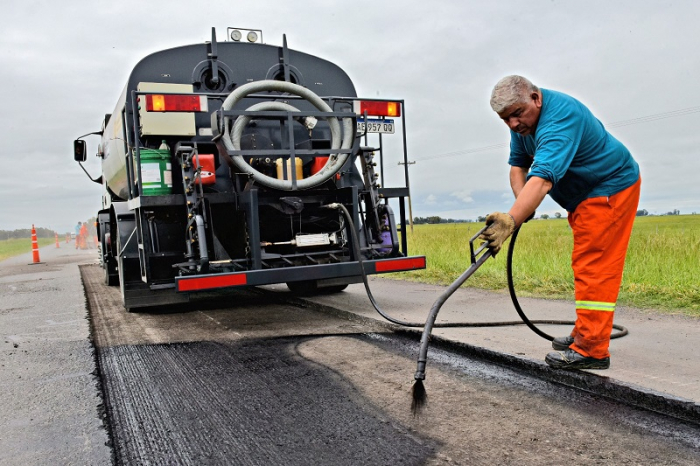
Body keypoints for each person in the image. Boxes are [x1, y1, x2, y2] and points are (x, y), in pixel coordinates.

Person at [482, 75, 641, 370]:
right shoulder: (523, 125)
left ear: (536, 98)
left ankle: (592, 349)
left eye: (518, 114)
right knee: (585, 264)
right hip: (583, 196)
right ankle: (586, 332)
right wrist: (522, 207)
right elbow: (518, 166)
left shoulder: (559, 120)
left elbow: (541, 179)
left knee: (594, 266)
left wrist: (512, 220)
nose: (514, 124)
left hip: (609, 188)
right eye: (506, 119)